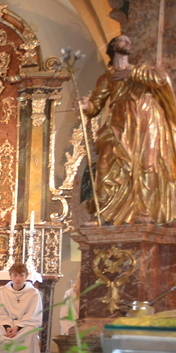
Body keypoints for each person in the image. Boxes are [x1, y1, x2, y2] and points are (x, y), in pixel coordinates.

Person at [80, 34, 176, 226]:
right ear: (112, 46)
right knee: (105, 166)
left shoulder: (143, 70)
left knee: (147, 164)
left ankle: (145, 211)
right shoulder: (106, 78)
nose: (128, 43)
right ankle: (104, 214)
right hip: (118, 123)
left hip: (147, 122)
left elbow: (161, 79)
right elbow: (96, 105)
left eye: (129, 41)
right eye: (123, 40)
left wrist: (132, 74)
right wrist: (86, 106)